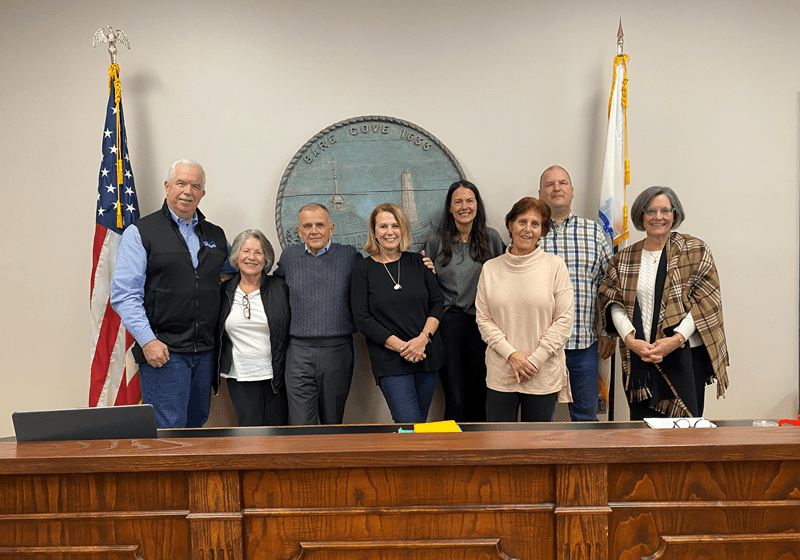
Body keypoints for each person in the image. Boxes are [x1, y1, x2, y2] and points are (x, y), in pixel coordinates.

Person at [111, 159, 229, 429]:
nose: (188, 191)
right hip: (164, 353)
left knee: (197, 425)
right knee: (168, 431)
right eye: (181, 183)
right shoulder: (141, 232)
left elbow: (235, 270)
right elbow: (124, 295)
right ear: (167, 186)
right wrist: (148, 341)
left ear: (202, 193)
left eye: (195, 186)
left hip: (205, 353)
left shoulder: (216, 235)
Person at [597, 186, 729, 420]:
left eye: (665, 210)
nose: (658, 217)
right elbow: (611, 301)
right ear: (641, 216)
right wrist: (630, 340)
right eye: (651, 211)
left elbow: (706, 302)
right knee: (643, 433)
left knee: (685, 433)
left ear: (674, 215)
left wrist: (675, 340)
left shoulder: (695, 250)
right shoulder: (623, 259)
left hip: (684, 356)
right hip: (639, 356)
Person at [475, 197, 574, 422]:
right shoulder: (490, 269)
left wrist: (533, 361)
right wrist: (513, 356)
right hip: (502, 372)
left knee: (537, 448)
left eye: (535, 224)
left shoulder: (555, 266)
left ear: (542, 231)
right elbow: (484, 319)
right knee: (500, 446)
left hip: (541, 372)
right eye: (521, 222)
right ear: (510, 225)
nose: (527, 229)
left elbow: (564, 320)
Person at [351, 203, 445, 424]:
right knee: (409, 423)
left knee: (417, 427)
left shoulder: (419, 263)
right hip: (390, 359)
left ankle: (415, 460)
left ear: (403, 229)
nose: (389, 231)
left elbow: (437, 304)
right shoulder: (362, 270)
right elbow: (362, 318)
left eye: (395, 225)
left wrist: (423, 340)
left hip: (426, 354)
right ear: (374, 232)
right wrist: (404, 347)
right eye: (383, 226)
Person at [423, 181, 505, 422]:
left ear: (477, 205)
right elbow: (427, 286)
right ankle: (455, 455)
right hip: (448, 325)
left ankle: (479, 454)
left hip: (483, 325)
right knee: (455, 396)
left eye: (469, 201)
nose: (464, 207)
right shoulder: (436, 241)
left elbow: (505, 277)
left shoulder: (491, 238)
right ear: (450, 207)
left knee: (479, 394)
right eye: (457, 202)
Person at [537, 165, 614, 421]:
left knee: (585, 418)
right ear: (540, 193)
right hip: (540, 347)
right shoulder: (529, 233)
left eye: (562, 183)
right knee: (538, 421)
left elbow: (610, 287)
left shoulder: (594, 233)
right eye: (549, 184)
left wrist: (607, 332)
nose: (556, 188)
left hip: (584, 345)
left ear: (572, 192)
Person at [274, 203, 362, 425]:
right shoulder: (289, 257)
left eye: (320, 225)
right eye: (307, 226)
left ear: (331, 228)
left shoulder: (350, 256)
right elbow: (271, 289)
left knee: (332, 422)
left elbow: (374, 283)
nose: (314, 230)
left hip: (338, 350)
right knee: (301, 425)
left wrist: (422, 266)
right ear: (299, 231)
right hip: (299, 352)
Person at [216, 230, 290, 426]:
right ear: (236, 256)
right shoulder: (224, 292)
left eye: (258, 252)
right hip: (240, 375)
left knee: (278, 436)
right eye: (246, 251)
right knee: (249, 435)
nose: (251, 257)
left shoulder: (280, 287)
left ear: (266, 258)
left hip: (276, 376)